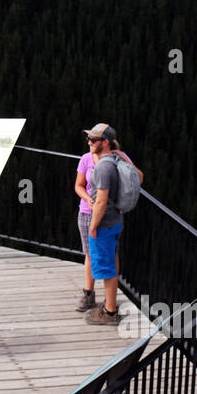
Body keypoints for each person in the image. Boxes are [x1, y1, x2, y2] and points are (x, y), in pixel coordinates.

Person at [74, 126, 143, 313]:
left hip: (102, 217)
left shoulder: (113, 159)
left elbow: (138, 178)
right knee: (91, 254)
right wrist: (88, 198)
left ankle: (108, 303)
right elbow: (79, 186)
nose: (89, 142)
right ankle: (91, 294)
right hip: (91, 212)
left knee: (107, 256)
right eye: (89, 138)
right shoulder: (86, 159)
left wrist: (123, 157)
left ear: (105, 142)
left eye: (93, 139)